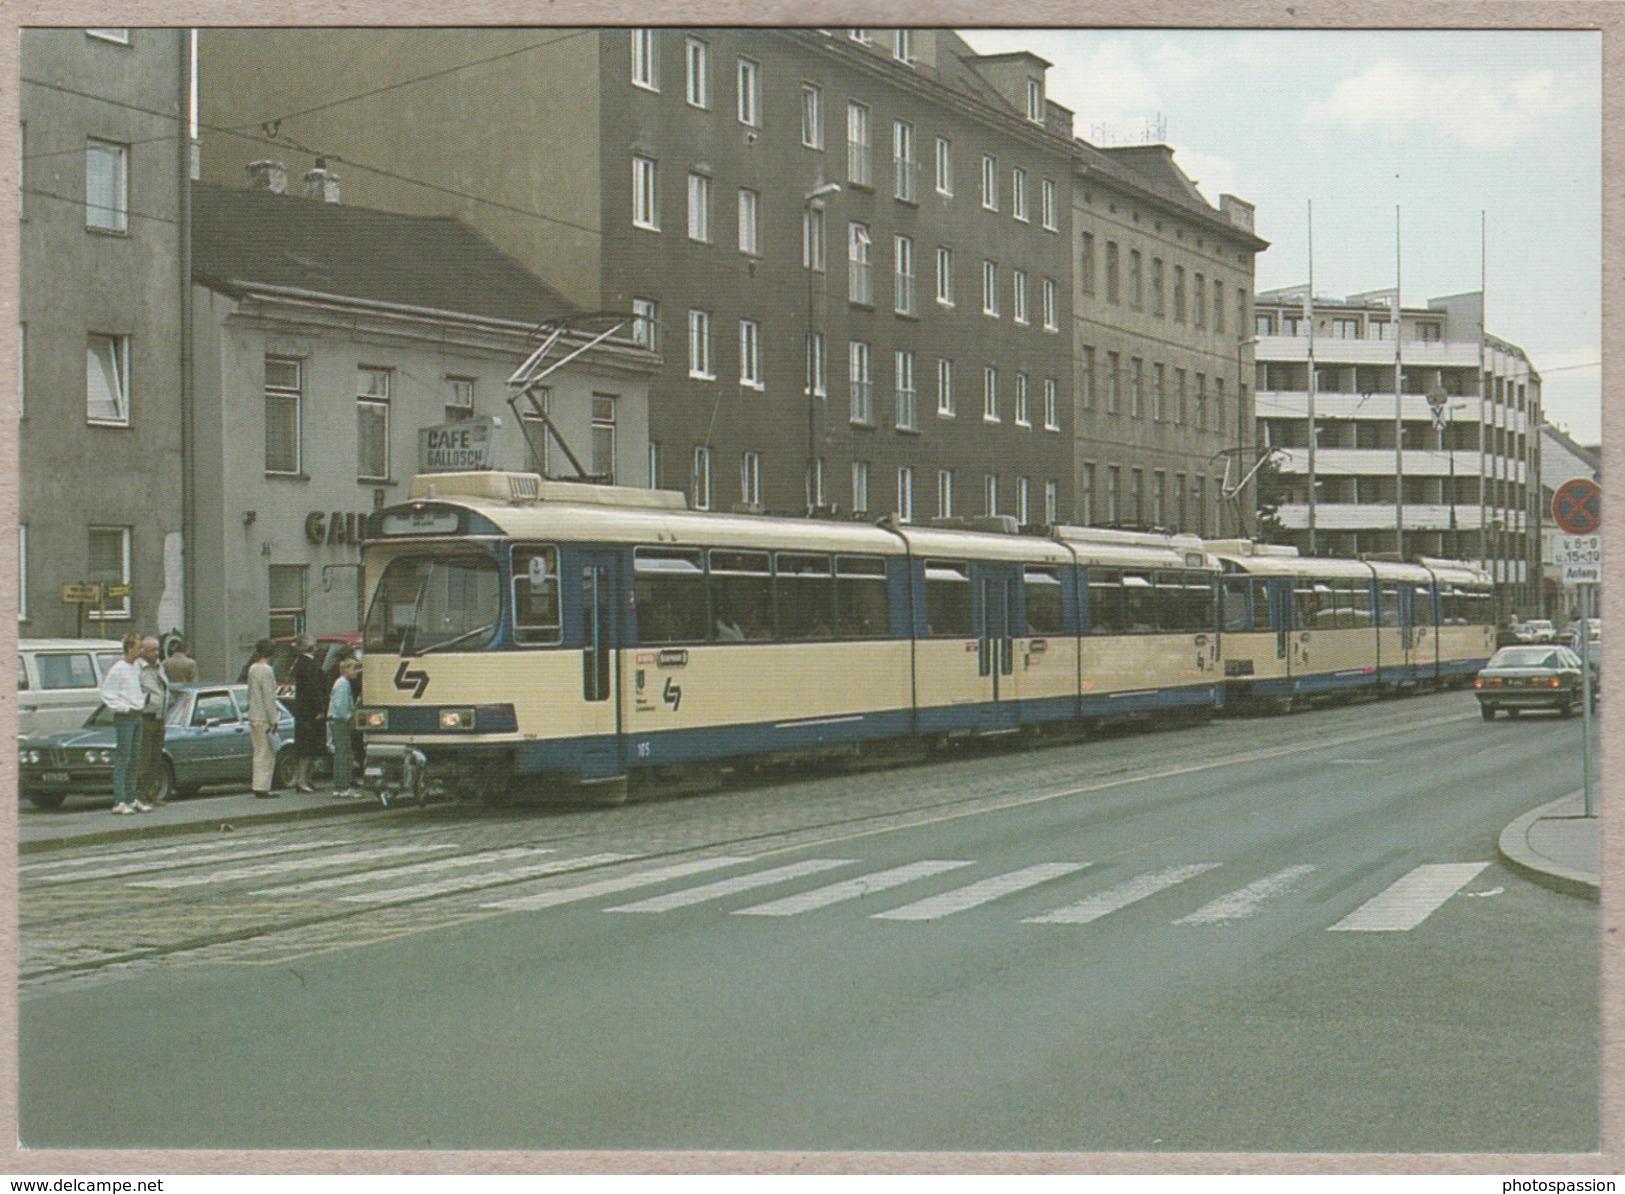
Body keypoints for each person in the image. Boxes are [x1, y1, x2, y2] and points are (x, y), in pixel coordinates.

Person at [99, 635, 147, 814]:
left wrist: (140, 702)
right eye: (138, 648)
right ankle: (119, 801)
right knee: (123, 758)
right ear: (129, 649)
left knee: (134, 757)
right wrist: (122, 708)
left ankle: (131, 798)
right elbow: (107, 694)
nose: (141, 651)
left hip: (137, 714)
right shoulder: (118, 669)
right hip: (125, 717)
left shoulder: (136, 667)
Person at [134, 635, 171, 806]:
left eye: (158, 649)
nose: (156, 653)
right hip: (145, 716)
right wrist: (146, 701)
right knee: (144, 758)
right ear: (143, 651)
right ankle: (139, 795)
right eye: (152, 650)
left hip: (159, 717)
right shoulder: (139, 668)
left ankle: (151, 793)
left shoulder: (159, 666)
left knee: (155, 757)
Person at [290, 633, 328, 793]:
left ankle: (307, 779)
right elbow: (314, 689)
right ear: (311, 648)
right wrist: (320, 709)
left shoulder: (301, 663)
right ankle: (302, 780)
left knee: (310, 747)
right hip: (310, 713)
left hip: (304, 712)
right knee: (308, 747)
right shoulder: (308, 665)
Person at [245, 638, 280, 799]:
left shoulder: (252, 668)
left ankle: (257, 784)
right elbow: (269, 697)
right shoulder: (266, 670)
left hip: (254, 715)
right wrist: (274, 719)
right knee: (266, 753)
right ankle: (263, 787)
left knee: (258, 751)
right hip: (264, 717)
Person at [326, 657, 361, 797]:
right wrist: (349, 717)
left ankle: (339, 787)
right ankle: (343, 787)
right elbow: (341, 706)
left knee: (341, 755)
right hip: (340, 722)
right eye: (354, 669)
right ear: (346, 670)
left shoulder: (341, 683)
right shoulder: (343, 684)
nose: (356, 672)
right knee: (343, 755)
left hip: (337, 722)